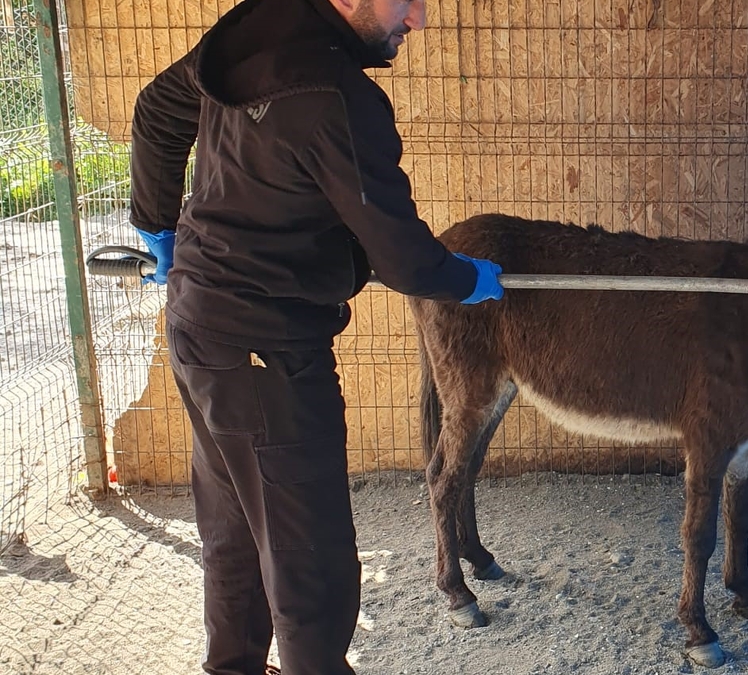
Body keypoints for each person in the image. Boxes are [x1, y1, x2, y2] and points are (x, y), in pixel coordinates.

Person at [127, 0, 503, 672]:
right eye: (405, 2)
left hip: (200, 329)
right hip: (266, 351)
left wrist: (159, 226)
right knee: (314, 565)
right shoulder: (338, 97)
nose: (416, 20)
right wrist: (464, 276)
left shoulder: (250, 35)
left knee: (238, 530)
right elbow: (405, 260)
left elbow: (158, 110)